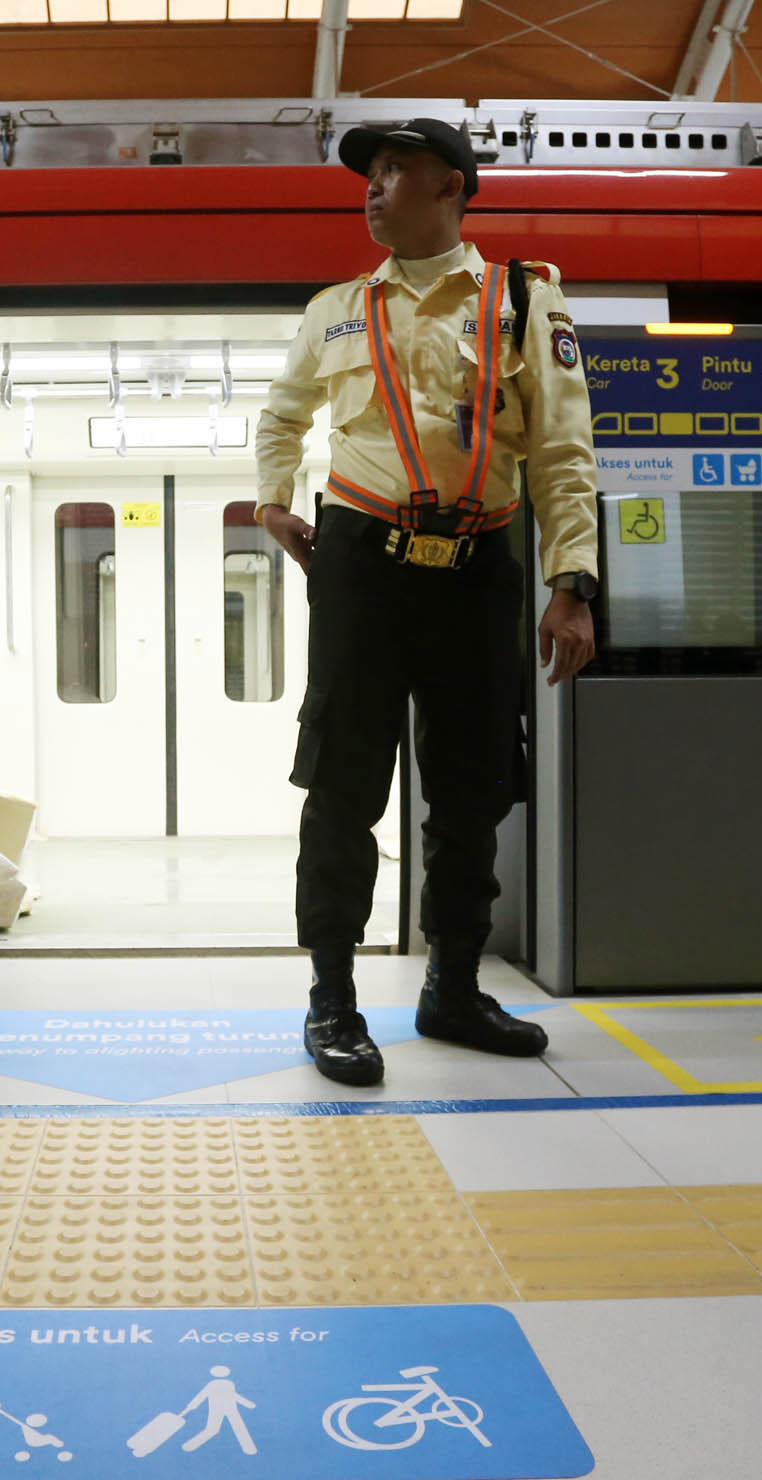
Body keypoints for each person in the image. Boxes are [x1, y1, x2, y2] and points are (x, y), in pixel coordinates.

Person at [253, 118, 600, 1087]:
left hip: (481, 564)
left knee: (472, 789)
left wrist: (568, 584)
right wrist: (275, 503)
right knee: (342, 787)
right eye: (367, 173)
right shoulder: (334, 310)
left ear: (451, 185)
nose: (371, 186)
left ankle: (450, 986)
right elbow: (282, 412)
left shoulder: (524, 299)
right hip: (361, 561)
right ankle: (331, 998)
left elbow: (563, 453)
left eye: (393, 169)